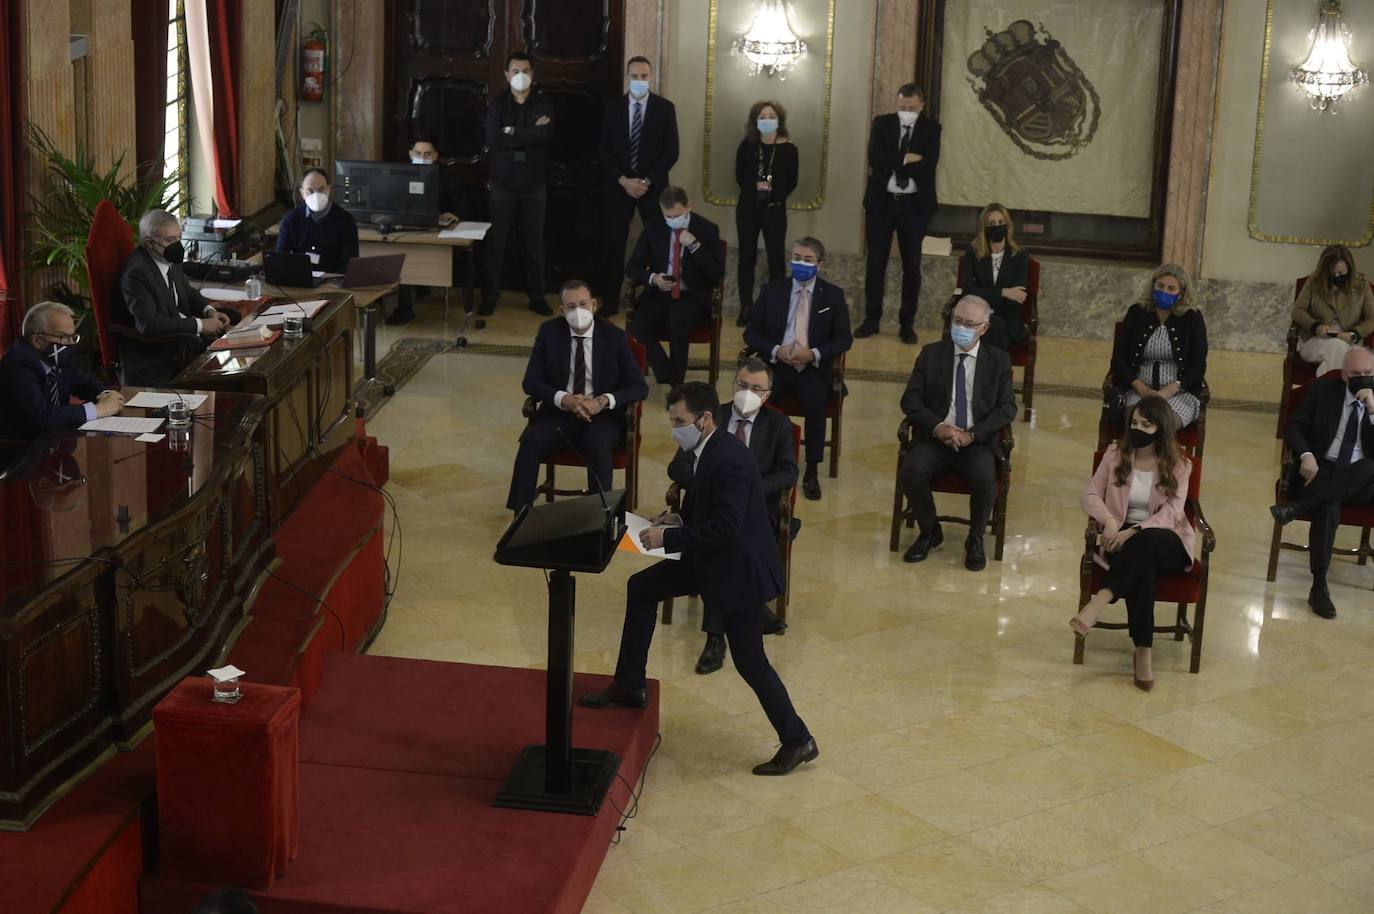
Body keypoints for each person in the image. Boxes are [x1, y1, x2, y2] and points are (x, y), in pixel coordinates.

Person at [579, 381, 817, 776]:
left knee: (751, 662)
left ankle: (797, 740)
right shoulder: (707, 449)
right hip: (712, 558)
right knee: (642, 588)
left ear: (705, 420)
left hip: (738, 571)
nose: (675, 429)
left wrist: (668, 537)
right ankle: (629, 684)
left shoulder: (731, 460)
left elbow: (726, 528)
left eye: (679, 421)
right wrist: (678, 519)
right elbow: (711, 512)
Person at [667, 358, 796, 673]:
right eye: (741, 385)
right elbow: (678, 465)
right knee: (720, 541)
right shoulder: (710, 416)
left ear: (767, 394)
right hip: (708, 511)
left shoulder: (779, 425)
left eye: (755, 388)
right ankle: (730, 626)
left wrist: (747, 490)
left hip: (758, 512)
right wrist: (713, 484)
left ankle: (716, 634)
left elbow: (788, 472)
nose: (746, 392)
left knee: (727, 542)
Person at [1072, 395, 1196, 691]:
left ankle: (1100, 599)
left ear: (1161, 428)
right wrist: (1111, 522)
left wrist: (1134, 530)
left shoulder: (1180, 465)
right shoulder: (1115, 454)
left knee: (1147, 541)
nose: (1137, 428)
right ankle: (1144, 650)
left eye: (1146, 424)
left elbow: (1172, 514)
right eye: (1134, 422)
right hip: (1122, 541)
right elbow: (1089, 495)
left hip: (1168, 541)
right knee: (1143, 569)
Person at [505, 279, 648, 512]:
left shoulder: (614, 337)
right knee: (530, 442)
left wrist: (601, 401)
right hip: (560, 413)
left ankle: (599, 516)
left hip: (603, 416)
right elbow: (531, 382)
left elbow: (638, 387)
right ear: (563, 311)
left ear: (593, 305)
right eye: (571, 307)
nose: (578, 311)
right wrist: (565, 399)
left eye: (583, 304)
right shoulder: (549, 332)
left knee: (596, 442)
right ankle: (520, 516)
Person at [897, 295, 1016, 571]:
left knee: (986, 478)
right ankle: (929, 531)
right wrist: (939, 428)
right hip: (936, 437)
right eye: (957, 321)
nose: (961, 327)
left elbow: (1007, 408)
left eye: (969, 323)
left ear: (983, 328)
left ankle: (975, 539)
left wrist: (972, 434)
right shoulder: (931, 354)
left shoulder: (998, 361)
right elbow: (910, 401)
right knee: (911, 470)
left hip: (976, 442)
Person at [1270, 346, 1374, 619]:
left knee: (1370, 465)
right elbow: (1294, 427)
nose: (1362, 379)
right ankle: (1319, 586)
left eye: (1368, 373)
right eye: (1356, 374)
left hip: (1363, 481)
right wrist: (1306, 456)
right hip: (1320, 470)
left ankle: (1298, 507)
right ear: (1343, 374)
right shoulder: (1321, 391)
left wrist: (1373, 410)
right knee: (1329, 506)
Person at [744, 236, 851, 500]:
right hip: (777, 365)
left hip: (812, 368)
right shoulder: (772, 290)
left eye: (807, 260)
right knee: (760, 399)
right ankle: (761, 458)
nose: (800, 264)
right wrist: (775, 350)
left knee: (815, 401)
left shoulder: (833, 295)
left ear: (820, 264)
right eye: (796, 258)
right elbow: (751, 333)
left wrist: (812, 353)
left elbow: (844, 338)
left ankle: (812, 470)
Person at [859, 83, 940, 343]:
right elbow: (874, 158)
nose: (907, 112)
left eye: (912, 108)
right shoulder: (882, 124)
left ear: (921, 106)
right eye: (903, 107)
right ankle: (872, 320)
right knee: (875, 264)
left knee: (912, 268)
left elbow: (928, 166)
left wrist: (893, 163)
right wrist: (906, 159)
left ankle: (907, 324)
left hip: (913, 207)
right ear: (897, 104)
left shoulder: (931, 129)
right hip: (882, 204)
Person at [597, 56, 678, 318]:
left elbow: (671, 152)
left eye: (644, 76)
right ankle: (610, 300)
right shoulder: (612, 108)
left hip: (652, 188)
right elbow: (604, 151)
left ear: (650, 78)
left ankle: (652, 300)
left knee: (657, 244)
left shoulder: (665, 108)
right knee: (613, 245)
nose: (640, 81)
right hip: (619, 187)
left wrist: (646, 181)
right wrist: (624, 180)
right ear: (627, 77)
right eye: (635, 76)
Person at [117, 209, 234, 386]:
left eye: (179, 237)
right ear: (149, 243)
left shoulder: (167, 258)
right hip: (156, 359)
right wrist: (201, 325)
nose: (178, 245)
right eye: (170, 240)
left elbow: (186, 291)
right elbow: (148, 324)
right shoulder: (136, 274)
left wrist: (209, 311)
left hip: (183, 344)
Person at [626, 186, 724, 387]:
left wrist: (695, 246)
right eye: (668, 216)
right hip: (660, 293)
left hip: (692, 296)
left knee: (677, 321)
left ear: (689, 207)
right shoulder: (654, 227)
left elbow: (717, 273)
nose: (673, 220)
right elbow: (633, 266)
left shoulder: (707, 229)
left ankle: (677, 383)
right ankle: (668, 375)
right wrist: (654, 278)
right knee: (639, 324)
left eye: (678, 215)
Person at [482, 51, 554, 318]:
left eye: (526, 70)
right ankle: (490, 296)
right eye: (515, 70)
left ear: (532, 74)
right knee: (496, 244)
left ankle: (537, 296)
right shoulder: (497, 103)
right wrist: (528, 133)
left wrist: (510, 131)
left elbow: (544, 135)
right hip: (503, 183)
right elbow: (492, 137)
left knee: (534, 244)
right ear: (506, 75)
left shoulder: (543, 102)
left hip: (534, 184)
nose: (520, 75)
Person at [387, 136, 487, 326]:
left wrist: (453, 214)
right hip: (407, 230)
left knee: (409, 255)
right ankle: (405, 307)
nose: (422, 157)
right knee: (401, 253)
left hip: (439, 234)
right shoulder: (400, 174)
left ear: (435, 156)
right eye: (418, 153)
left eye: (427, 154)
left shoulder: (448, 177)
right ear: (410, 154)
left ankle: (413, 300)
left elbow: (463, 207)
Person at [0, 302, 124, 440]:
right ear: (36, 340)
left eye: (72, 337)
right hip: (23, 449)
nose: (70, 343)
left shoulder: (57, 358)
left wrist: (106, 394)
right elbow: (43, 416)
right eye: (62, 337)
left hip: (55, 441)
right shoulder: (18, 364)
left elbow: (84, 382)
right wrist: (98, 410)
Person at [1110, 263, 1208, 429]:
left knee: (1162, 424)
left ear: (1181, 293)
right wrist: (1140, 387)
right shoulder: (1137, 312)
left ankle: (1164, 456)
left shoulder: (1192, 317)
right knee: (1139, 423)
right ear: (1153, 286)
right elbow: (1118, 359)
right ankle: (1132, 456)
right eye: (1160, 286)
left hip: (1179, 393)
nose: (1165, 292)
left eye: (1171, 288)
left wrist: (1169, 391)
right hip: (1138, 391)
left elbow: (1198, 365)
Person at [734, 99, 799, 328]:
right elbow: (740, 176)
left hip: (774, 211)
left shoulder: (789, 149)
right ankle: (746, 307)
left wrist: (772, 195)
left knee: (776, 261)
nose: (767, 120)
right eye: (763, 116)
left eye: (771, 116)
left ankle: (776, 308)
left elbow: (792, 182)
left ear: (779, 120)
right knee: (746, 259)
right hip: (748, 210)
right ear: (755, 121)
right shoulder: (747, 145)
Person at [1291, 244, 1374, 377]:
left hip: (1350, 341)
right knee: (1340, 348)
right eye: (1332, 274)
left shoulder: (1361, 285)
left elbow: (1372, 318)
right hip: (1316, 341)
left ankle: (1323, 395)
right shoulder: (1314, 281)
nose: (1336, 276)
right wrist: (1315, 326)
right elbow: (1298, 311)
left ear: (1349, 268)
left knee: (1334, 357)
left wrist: (1354, 334)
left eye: (1341, 273)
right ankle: (1345, 396)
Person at [959, 202, 1029, 351]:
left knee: (994, 326)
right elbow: (968, 291)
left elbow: (1018, 298)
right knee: (991, 326)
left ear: (1008, 226)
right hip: (976, 317)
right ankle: (998, 373)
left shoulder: (1020, 255)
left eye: (1001, 222)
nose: (997, 226)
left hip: (1007, 320)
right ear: (984, 228)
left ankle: (983, 373)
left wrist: (985, 297)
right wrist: (1004, 292)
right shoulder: (973, 252)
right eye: (991, 223)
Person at [275, 167, 360, 273]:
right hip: (299, 281)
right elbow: (280, 259)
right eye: (310, 191)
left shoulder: (346, 221)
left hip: (332, 282)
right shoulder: (291, 219)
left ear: (328, 190)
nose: (315, 195)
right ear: (302, 194)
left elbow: (349, 264)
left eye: (321, 190)